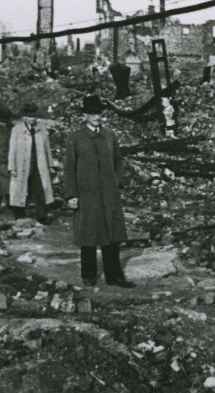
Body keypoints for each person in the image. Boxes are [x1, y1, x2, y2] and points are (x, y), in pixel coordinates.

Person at [64, 95, 134, 288]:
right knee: (88, 234)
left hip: (109, 195)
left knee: (112, 235)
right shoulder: (75, 138)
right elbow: (69, 167)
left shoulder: (110, 135)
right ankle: (88, 274)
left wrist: (116, 180)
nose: (97, 117)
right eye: (92, 113)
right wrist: (71, 195)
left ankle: (115, 276)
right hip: (87, 194)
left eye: (99, 113)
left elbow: (118, 161)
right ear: (85, 115)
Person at [8, 102, 55, 223]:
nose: (32, 119)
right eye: (29, 116)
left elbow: (47, 148)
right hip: (22, 165)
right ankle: (19, 216)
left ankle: (42, 216)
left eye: (33, 116)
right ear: (24, 117)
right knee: (20, 188)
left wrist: (50, 164)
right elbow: (12, 149)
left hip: (39, 165)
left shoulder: (41, 129)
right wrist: (12, 166)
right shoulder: (17, 130)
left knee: (40, 189)